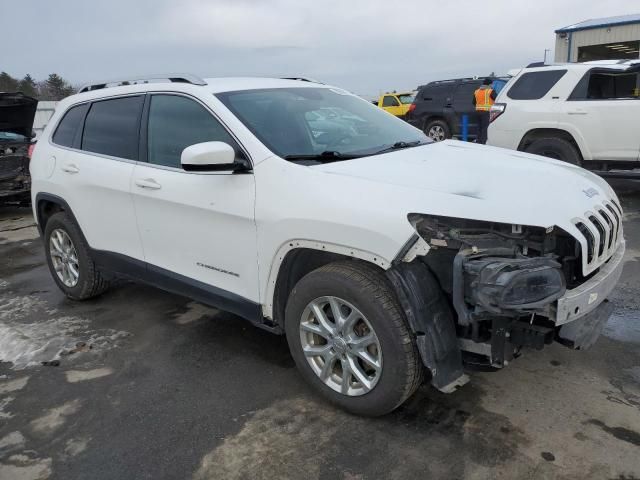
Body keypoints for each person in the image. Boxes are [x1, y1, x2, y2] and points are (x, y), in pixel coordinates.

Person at [472, 78, 497, 144]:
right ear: (489, 84)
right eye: (492, 84)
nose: (492, 85)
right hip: (486, 112)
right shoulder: (491, 91)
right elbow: (497, 100)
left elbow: (473, 102)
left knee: (479, 127)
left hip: (477, 112)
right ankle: (483, 143)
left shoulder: (476, 91)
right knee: (485, 128)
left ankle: (478, 141)